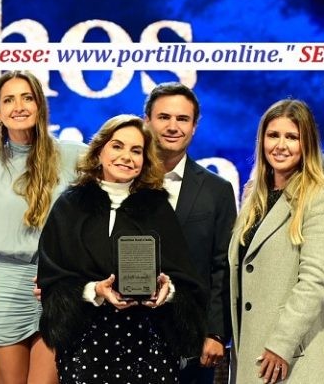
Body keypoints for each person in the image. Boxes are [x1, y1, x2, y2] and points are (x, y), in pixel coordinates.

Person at [37, 114, 208, 384]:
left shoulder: (158, 208)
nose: (126, 157)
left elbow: (187, 281)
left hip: (149, 345)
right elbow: (52, 280)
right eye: (117, 146)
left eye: (136, 151)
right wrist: (95, 290)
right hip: (86, 344)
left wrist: (168, 291)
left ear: (145, 160)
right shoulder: (69, 206)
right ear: (99, 151)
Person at [0, 70, 84, 384]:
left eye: (27, 98)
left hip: (55, 286)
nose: (19, 106)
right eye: (9, 100)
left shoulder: (74, 155)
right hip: (2, 285)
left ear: (40, 105)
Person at [229, 99, 324, 384]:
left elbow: (315, 281)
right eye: (273, 135)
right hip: (250, 352)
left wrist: (281, 344)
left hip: (289, 357)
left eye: (292, 137)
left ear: (307, 144)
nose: (281, 145)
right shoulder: (253, 198)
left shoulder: (321, 199)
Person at [143, 82, 237, 383]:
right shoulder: (122, 181)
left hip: (192, 342)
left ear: (194, 126)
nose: (173, 126)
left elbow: (223, 267)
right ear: (147, 121)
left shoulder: (217, 190)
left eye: (182, 119)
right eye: (164, 117)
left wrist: (216, 332)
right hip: (126, 334)